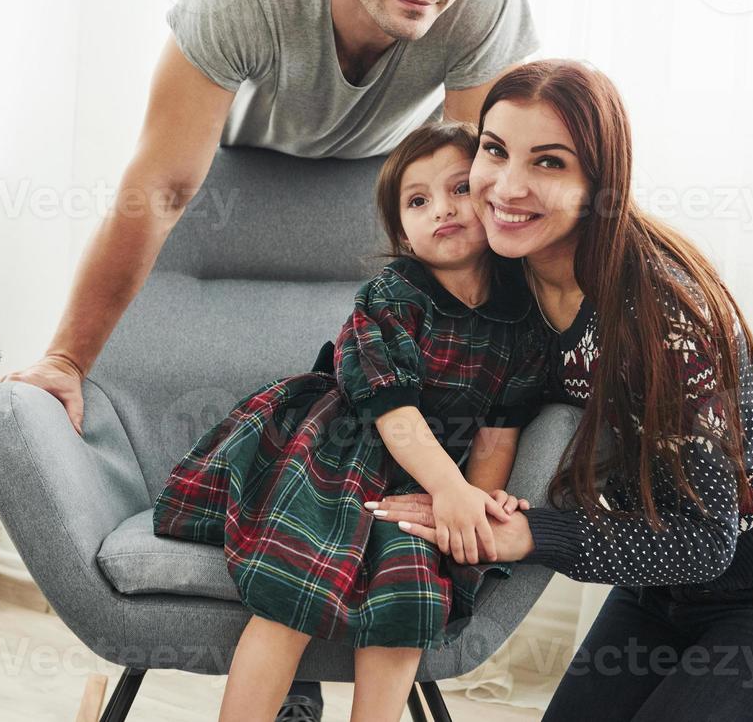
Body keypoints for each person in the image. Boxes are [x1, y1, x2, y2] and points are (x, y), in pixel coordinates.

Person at [0, 0, 540, 720]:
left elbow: (476, 181)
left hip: (384, 177)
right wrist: (66, 358)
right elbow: (162, 186)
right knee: (307, 456)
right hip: (236, 168)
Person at [366, 59, 753, 719]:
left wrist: (524, 534)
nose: (506, 185)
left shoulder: (660, 317)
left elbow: (704, 541)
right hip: (658, 587)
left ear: (597, 184)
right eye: (494, 150)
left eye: (548, 163)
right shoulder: (500, 275)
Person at [151, 122, 543, 722]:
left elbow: (499, 431)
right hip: (337, 453)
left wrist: (474, 503)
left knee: (411, 593)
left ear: (491, 196)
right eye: (418, 201)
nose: (441, 208)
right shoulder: (390, 297)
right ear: (402, 230)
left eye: (459, 188)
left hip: (423, 478)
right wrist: (452, 488)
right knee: (294, 588)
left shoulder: (522, 320)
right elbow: (394, 413)